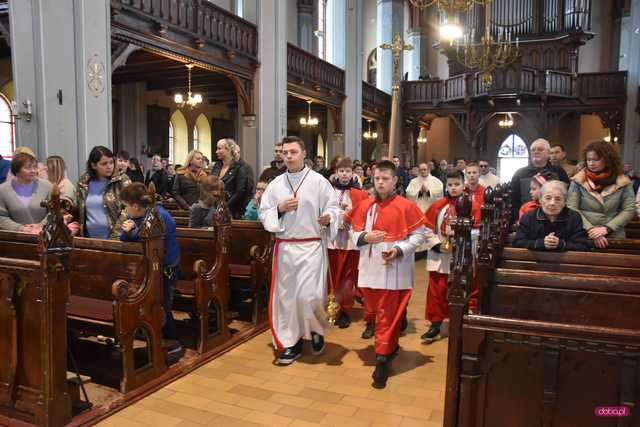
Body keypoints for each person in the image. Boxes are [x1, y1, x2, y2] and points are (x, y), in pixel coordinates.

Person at [344, 160, 427, 389]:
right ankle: (389, 347)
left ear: (395, 180)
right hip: (369, 269)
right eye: (377, 179)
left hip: (393, 269)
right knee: (373, 312)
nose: (380, 183)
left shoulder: (406, 206)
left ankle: (381, 360)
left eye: (385, 179)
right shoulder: (366, 205)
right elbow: (354, 231)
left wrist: (399, 250)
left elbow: (419, 236)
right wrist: (364, 238)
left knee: (386, 316)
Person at [258, 136, 339, 366]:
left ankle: (315, 330)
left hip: (312, 245)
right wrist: (280, 209)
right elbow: (264, 214)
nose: (289, 156)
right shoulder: (275, 185)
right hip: (285, 249)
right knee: (287, 300)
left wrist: (329, 217)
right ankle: (290, 344)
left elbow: (334, 208)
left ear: (304, 153)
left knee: (309, 296)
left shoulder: (319, 182)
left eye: (293, 152)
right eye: (285, 152)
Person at [119, 183, 183, 360]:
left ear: (136, 206)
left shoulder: (161, 216)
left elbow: (153, 242)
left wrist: (133, 232)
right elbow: (127, 238)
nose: (125, 210)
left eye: (126, 206)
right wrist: (127, 232)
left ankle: (173, 343)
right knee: (150, 304)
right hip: (146, 267)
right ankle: (153, 339)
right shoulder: (138, 216)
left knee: (162, 305)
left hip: (166, 266)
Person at [422, 170, 481, 343]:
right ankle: (435, 323)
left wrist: (459, 234)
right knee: (436, 291)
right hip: (441, 254)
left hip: (462, 255)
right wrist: (437, 245)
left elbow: (479, 230)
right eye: (450, 185)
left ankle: (461, 323)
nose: (453, 188)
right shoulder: (438, 205)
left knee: (462, 289)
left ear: (464, 185)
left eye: (457, 184)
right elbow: (426, 228)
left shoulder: (473, 206)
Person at [567, 140, 636, 248]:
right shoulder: (578, 180)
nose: (591, 163)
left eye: (596, 159)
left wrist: (607, 228)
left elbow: (629, 209)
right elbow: (572, 207)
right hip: (583, 233)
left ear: (607, 159)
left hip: (613, 234)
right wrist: (591, 229)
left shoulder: (623, 181)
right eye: (588, 159)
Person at [327, 157, 369, 329]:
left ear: (353, 173)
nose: (344, 174)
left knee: (347, 276)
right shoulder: (328, 191)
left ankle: (345, 310)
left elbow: (364, 215)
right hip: (333, 239)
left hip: (350, 240)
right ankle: (332, 306)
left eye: (348, 171)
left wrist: (350, 219)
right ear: (336, 172)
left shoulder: (360, 194)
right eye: (341, 171)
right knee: (333, 273)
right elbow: (323, 210)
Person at [514, 181, 592, 251]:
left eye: (558, 199)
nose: (552, 203)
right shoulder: (529, 216)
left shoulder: (574, 217)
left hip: (565, 264)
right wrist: (541, 243)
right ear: (540, 200)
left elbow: (583, 245)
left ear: (565, 202)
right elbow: (518, 242)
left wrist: (560, 244)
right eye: (548, 198)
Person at [76, 146, 131, 239]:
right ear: (93, 165)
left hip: (117, 239)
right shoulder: (83, 182)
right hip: (89, 239)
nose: (109, 166)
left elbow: (129, 208)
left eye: (111, 162)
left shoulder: (122, 180)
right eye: (104, 163)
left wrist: (115, 236)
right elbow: (80, 210)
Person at [510, 138, 570, 222]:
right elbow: (514, 199)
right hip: (527, 217)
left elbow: (566, 196)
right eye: (533, 150)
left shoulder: (559, 172)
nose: (536, 152)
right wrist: (517, 219)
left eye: (540, 149)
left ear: (548, 153)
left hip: (555, 218)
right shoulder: (520, 173)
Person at [0, 152, 52, 232]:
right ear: (16, 170)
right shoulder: (3, 190)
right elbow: (1, 217)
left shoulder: (47, 186)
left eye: (35, 167)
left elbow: (54, 212)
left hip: (44, 236)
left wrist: (41, 225)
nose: (33, 171)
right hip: (17, 239)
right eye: (28, 168)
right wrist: (22, 229)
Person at [210, 138, 250, 219]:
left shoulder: (238, 167)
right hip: (214, 208)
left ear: (228, 150)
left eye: (219, 148)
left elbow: (240, 192)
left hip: (232, 210)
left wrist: (224, 207)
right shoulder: (217, 166)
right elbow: (210, 185)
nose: (216, 151)